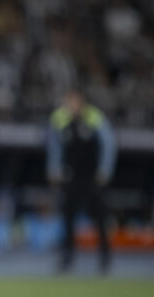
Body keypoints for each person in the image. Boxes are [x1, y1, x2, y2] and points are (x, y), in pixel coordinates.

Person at [47, 89, 116, 274]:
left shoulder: (94, 117)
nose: (70, 105)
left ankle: (105, 257)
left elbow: (108, 144)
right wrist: (54, 168)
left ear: (82, 101)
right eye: (68, 101)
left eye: (73, 101)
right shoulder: (60, 118)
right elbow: (54, 145)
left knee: (100, 217)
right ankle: (67, 257)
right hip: (71, 176)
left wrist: (105, 170)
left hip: (92, 176)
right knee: (67, 217)